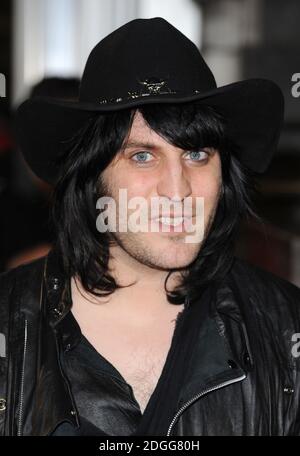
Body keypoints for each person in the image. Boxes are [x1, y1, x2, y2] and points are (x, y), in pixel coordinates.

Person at [0, 17, 299, 436]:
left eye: (196, 154)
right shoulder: (11, 328)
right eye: (142, 156)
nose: (177, 191)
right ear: (91, 176)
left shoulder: (285, 329)